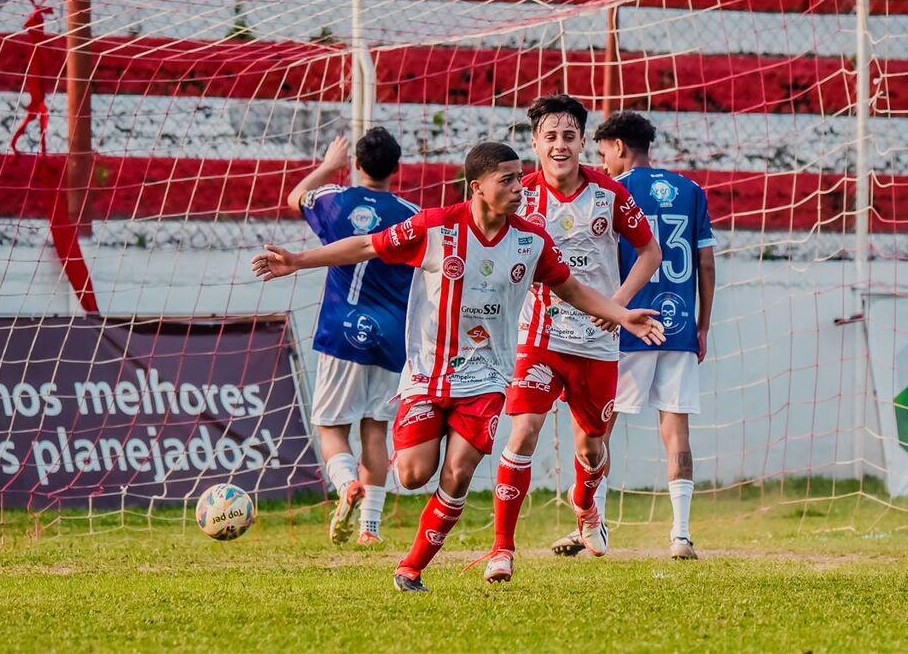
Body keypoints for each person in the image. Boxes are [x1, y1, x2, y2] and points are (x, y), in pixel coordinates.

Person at [253, 142, 666, 592]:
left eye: (518, 177)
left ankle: (411, 568)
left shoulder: (530, 241)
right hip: (429, 374)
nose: (518, 188)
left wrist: (621, 313)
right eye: (506, 180)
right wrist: (297, 260)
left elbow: (571, 289)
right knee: (411, 474)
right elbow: (365, 246)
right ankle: (426, 469)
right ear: (478, 188)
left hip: (487, 377)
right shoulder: (437, 226)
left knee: (460, 469)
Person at [481, 95, 661, 584]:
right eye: (550, 137)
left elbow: (649, 251)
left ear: (583, 142)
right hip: (539, 336)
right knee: (522, 433)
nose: (559, 146)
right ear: (535, 143)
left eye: (569, 136)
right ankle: (502, 550)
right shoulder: (521, 195)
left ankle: (585, 504)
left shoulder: (609, 194)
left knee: (592, 447)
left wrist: (619, 307)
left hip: (598, 340)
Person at [550, 110, 716, 560]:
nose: (601, 164)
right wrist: (702, 325)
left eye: (603, 154)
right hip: (679, 325)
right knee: (675, 428)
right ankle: (681, 535)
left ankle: (590, 525)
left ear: (620, 147)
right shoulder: (692, 190)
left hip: (626, 323)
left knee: (599, 424)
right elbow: (705, 263)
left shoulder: (612, 191)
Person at [286, 128, 418, 546]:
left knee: (330, 426)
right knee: (375, 429)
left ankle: (345, 484)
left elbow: (294, 198)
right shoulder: (412, 214)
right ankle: (370, 529)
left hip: (341, 331)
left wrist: (328, 165)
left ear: (357, 166)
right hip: (391, 336)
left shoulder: (334, 200)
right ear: (397, 169)